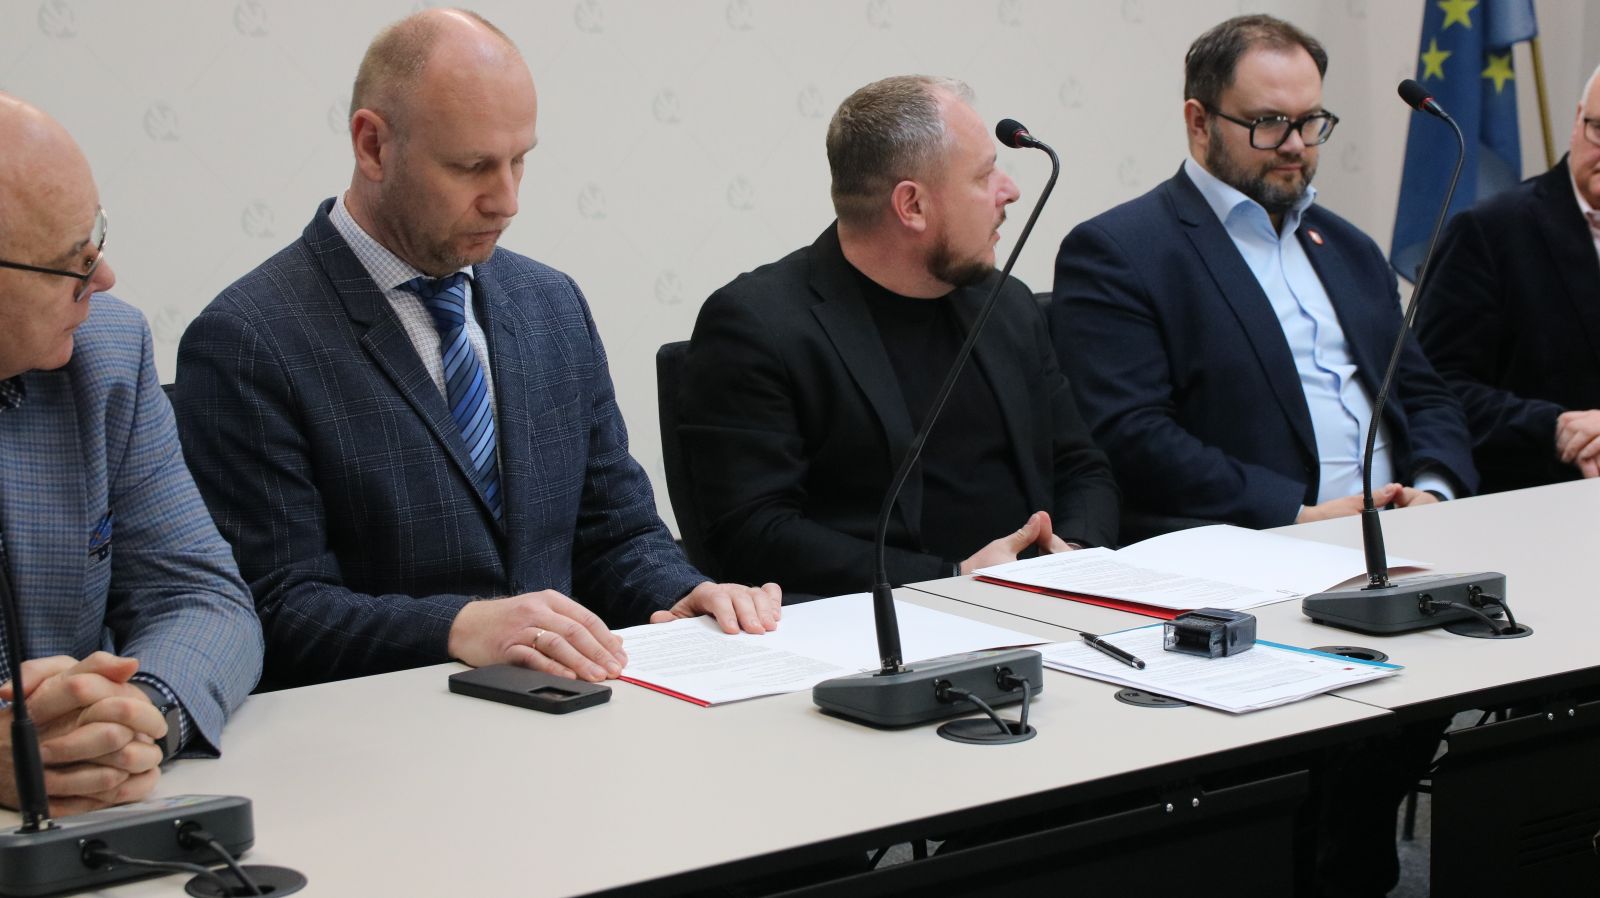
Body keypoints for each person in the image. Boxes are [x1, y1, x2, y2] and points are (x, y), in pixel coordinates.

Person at [174, 9, 779, 691]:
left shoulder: (551, 304)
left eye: (520, 161)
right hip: (387, 724)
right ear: (372, 146)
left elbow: (615, 533)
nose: (507, 200)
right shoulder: (248, 340)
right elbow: (275, 609)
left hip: (571, 713)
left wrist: (682, 592)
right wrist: (457, 627)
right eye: (471, 167)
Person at [678, 75, 1119, 598]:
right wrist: (952, 580)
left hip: (1047, 604)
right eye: (984, 176)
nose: (1010, 190)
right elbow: (754, 532)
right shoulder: (758, 324)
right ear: (912, 206)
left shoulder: (1007, 303)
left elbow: (1080, 466)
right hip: (880, 620)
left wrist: (1072, 556)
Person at [1053, 15, 1476, 537]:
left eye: (1310, 120)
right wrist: (1294, 515)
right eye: (1270, 122)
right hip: (1251, 546)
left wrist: (1434, 491)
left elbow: (1426, 395)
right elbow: (1131, 435)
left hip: (1412, 535)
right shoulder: (1119, 251)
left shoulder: (1350, 248)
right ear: (1199, 122)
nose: (1295, 144)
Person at [0, 94, 262, 816]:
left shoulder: (108, 354)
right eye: (73, 264)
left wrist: (138, 717)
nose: (105, 279)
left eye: (97, 240)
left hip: (91, 823)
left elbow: (204, 598)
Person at [1416, 63, 1600, 493]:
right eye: (1599, 130)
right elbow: (1437, 390)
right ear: (1577, 121)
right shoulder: (1490, 231)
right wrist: (1556, 427)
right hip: (1537, 499)